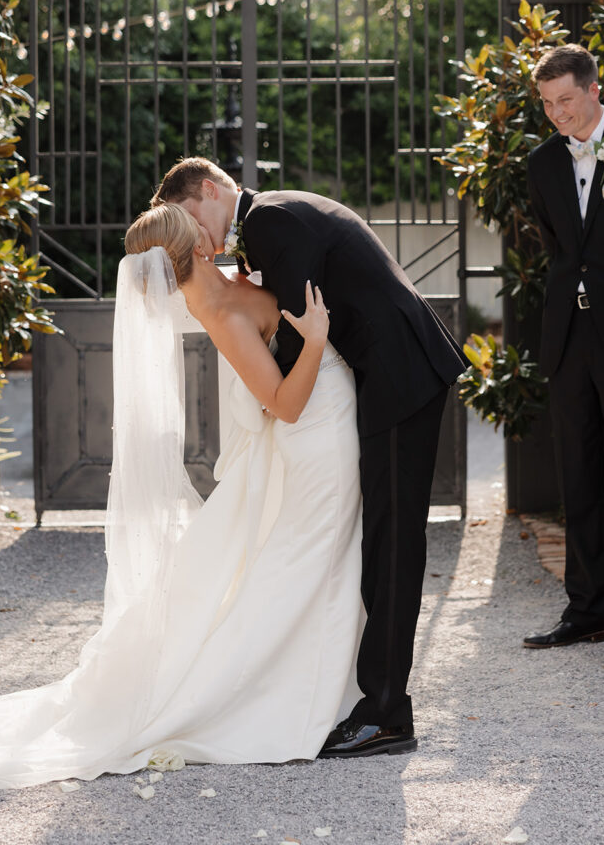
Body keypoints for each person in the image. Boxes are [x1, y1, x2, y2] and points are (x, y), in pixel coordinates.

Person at [0, 203, 365, 795]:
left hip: (325, 429)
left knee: (313, 565)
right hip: (314, 435)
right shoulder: (220, 311)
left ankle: (326, 684)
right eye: (207, 232)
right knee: (308, 565)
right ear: (200, 251)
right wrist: (315, 340)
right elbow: (283, 404)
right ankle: (297, 693)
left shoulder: (228, 285)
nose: (219, 235)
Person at [152, 158, 467, 757]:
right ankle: (372, 696)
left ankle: (387, 714)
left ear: (211, 191)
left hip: (399, 375)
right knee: (382, 540)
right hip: (384, 378)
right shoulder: (266, 225)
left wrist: (266, 380)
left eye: (192, 217)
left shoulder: (269, 221)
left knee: (393, 543)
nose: (196, 237)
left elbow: (296, 328)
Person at [524, 44, 604, 649]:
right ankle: (588, 607)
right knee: (576, 473)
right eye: (548, 104)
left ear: (594, 89)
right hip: (569, 335)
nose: (557, 114)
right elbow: (558, 247)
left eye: (566, 100)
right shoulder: (541, 163)